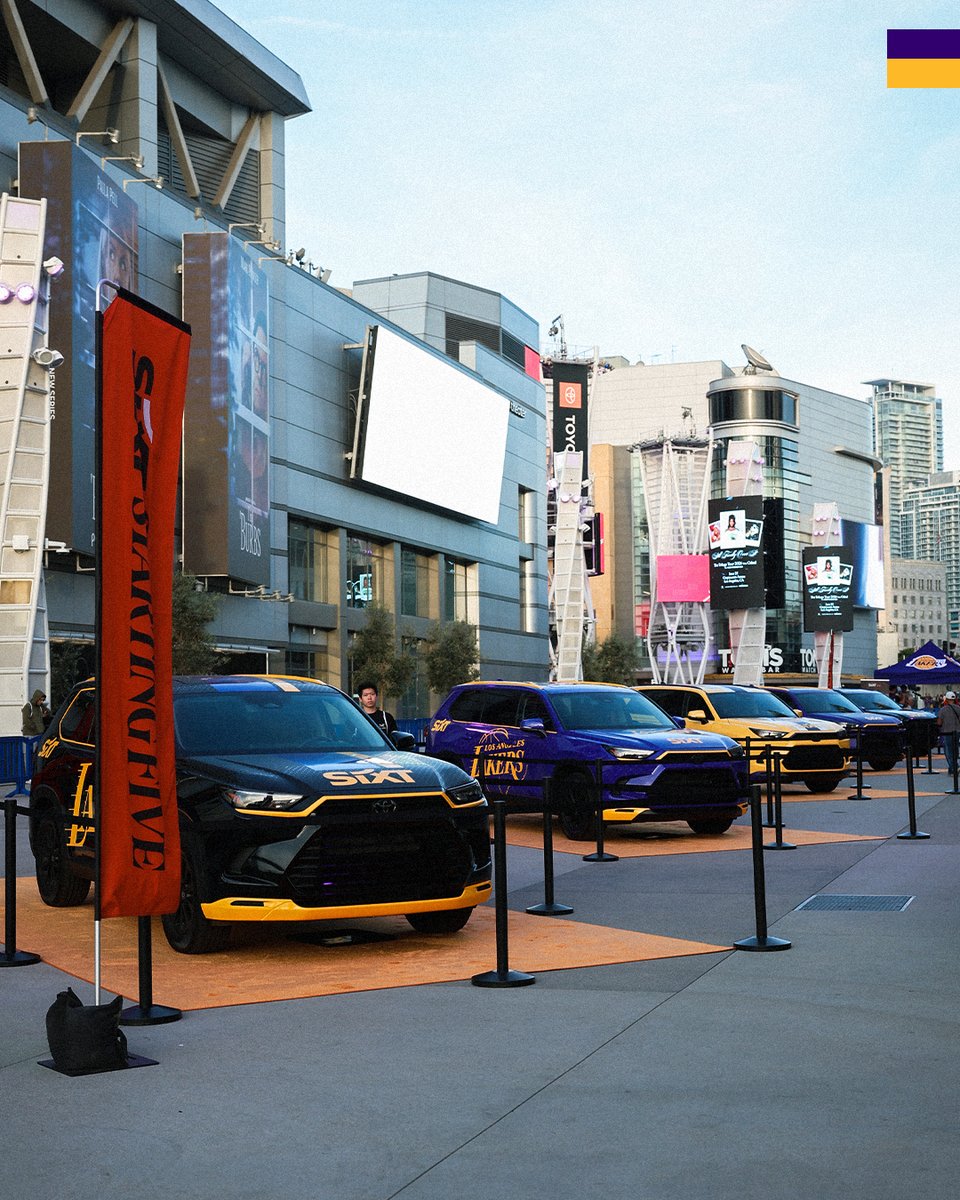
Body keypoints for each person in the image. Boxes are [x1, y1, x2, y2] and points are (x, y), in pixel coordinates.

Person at [936, 691, 960, 775]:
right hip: (957, 732)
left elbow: (939, 722)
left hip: (947, 732)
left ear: (946, 699)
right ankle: (954, 766)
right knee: (955, 749)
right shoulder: (958, 708)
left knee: (948, 751)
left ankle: (953, 768)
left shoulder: (943, 709)